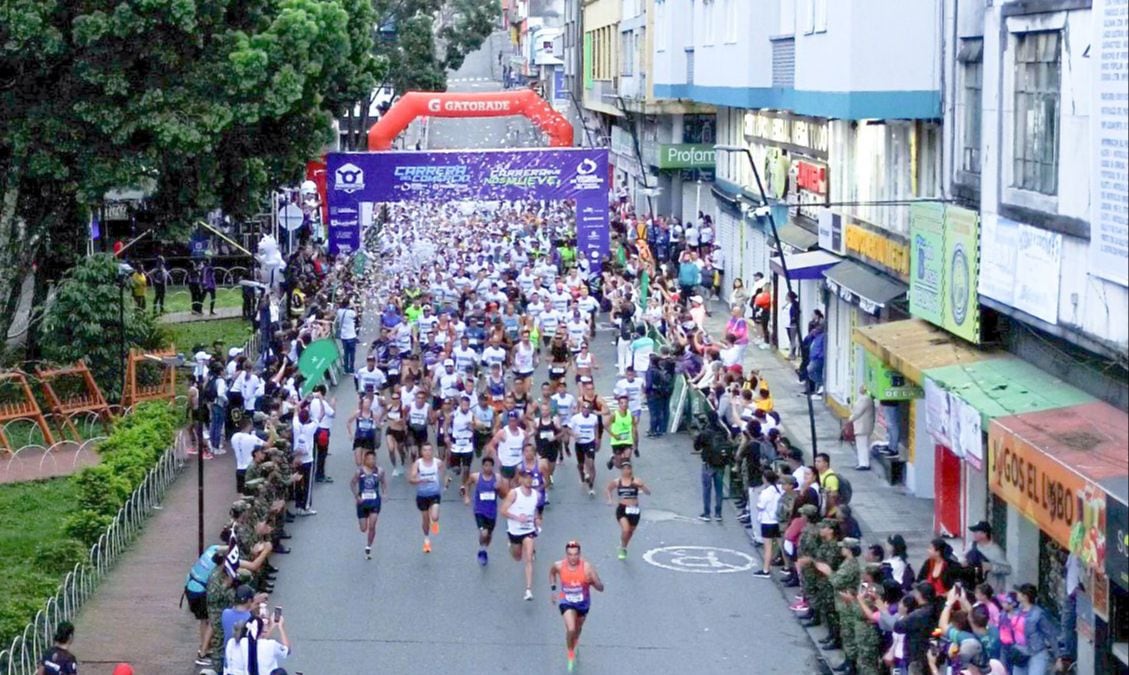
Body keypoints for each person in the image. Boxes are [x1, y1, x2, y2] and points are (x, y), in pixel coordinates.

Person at [549, 540, 605, 672]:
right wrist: (553, 590)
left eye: (575, 555)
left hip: (583, 603)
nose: (573, 558)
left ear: (580, 554)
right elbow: (552, 574)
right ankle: (570, 653)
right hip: (566, 601)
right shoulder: (558, 565)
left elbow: (601, 587)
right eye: (570, 554)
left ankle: (575, 640)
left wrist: (592, 582)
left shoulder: (587, 568)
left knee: (578, 628)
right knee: (571, 628)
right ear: (566, 555)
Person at [500, 467, 541, 600]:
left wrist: (536, 519)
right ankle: (510, 545)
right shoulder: (514, 493)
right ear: (521, 479)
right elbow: (503, 511)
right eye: (526, 477)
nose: (528, 480)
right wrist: (518, 518)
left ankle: (528, 590)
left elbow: (534, 510)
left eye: (530, 478)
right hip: (515, 531)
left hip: (529, 530)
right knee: (517, 557)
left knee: (528, 558)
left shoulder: (536, 495)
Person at [605, 462, 651, 559]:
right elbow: (608, 489)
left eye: (628, 468)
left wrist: (642, 486)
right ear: (621, 470)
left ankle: (624, 546)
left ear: (631, 469)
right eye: (624, 469)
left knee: (630, 532)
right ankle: (622, 547)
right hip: (622, 509)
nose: (626, 471)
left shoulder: (636, 480)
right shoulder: (618, 481)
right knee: (625, 530)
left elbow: (648, 492)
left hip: (634, 510)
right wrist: (610, 499)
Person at [350, 450, 386, 559]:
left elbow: (383, 482)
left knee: (372, 525)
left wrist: (384, 493)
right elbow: (352, 484)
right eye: (369, 459)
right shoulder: (359, 472)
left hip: (375, 502)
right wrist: (357, 496)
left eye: (373, 459)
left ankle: (369, 546)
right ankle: (366, 530)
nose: (372, 461)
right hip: (362, 502)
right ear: (365, 460)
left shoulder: (379, 471)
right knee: (363, 528)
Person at [408, 443, 444, 553]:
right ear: (421, 452)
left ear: (432, 451)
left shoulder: (438, 463)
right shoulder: (418, 464)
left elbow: (444, 474)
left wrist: (445, 484)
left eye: (429, 450)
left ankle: (435, 521)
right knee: (425, 519)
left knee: (435, 516)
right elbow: (411, 479)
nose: (427, 452)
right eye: (425, 450)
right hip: (422, 495)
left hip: (434, 494)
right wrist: (420, 480)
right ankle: (427, 539)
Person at [224, 616, 290, 675]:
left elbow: (258, 642)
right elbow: (287, 651)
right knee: (280, 672)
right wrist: (280, 627)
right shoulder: (270, 644)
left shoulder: (233, 642)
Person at [466, 456, 500, 566]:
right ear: (482, 466)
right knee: (484, 533)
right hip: (479, 510)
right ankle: (481, 550)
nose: (488, 468)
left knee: (489, 535)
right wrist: (466, 496)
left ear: (493, 467)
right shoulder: (476, 477)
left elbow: (504, 493)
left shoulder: (497, 478)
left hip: (492, 512)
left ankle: (484, 549)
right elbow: (467, 484)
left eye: (490, 466)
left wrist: (499, 487)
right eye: (486, 465)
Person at [965, 521, 1012, 591]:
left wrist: (991, 567)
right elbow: (963, 557)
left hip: (991, 591)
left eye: (976, 532)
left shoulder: (995, 550)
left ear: (984, 534)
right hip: (972, 588)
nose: (973, 534)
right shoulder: (971, 546)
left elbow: (1007, 569)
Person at [846, 385, 875, 470]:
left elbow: (857, 412)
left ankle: (864, 463)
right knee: (862, 445)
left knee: (862, 445)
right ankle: (862, 462)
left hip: (862, 426)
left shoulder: (865, 399)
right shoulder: (865, 399)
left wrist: (850, 419)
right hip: (863, 425)